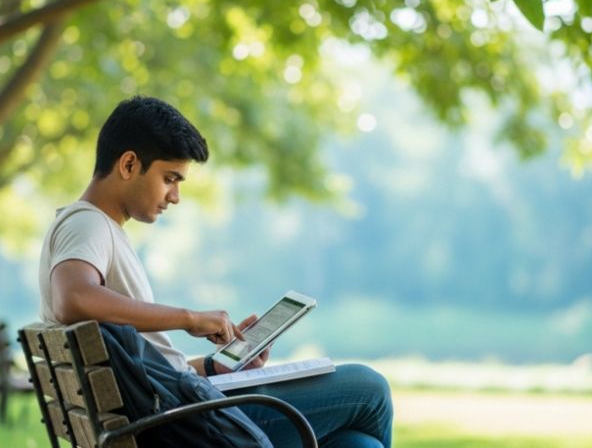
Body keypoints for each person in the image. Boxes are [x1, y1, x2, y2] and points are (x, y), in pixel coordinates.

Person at [38, 96, 393, 447]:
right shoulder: (88, 226)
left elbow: (147, 375)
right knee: (369, 388)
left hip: (177, 417)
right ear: (129, 164)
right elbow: (73, 298)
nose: (175, 196)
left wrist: (214, 367)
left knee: (359, 444)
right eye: (170, 178)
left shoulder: (96, 229)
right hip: (189, 428)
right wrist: (190, 318)